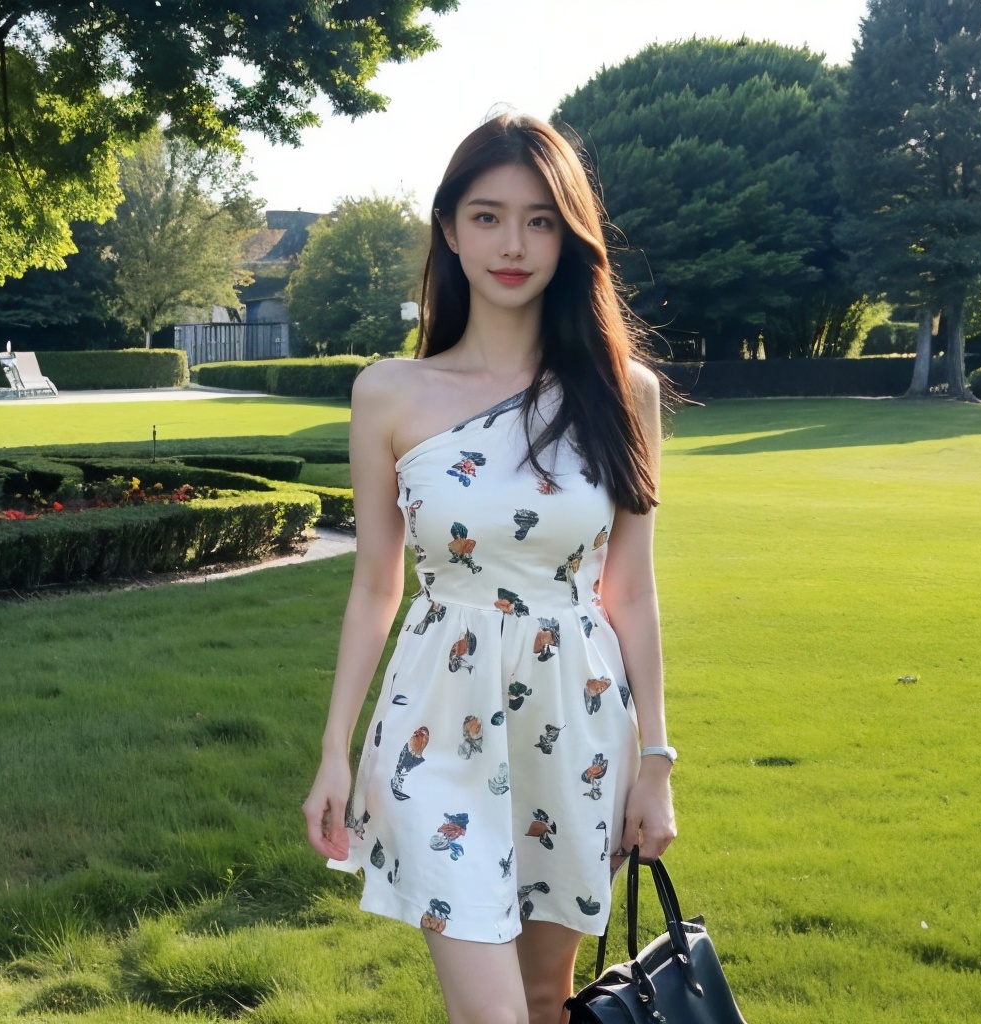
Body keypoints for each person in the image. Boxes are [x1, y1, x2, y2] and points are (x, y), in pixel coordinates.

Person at [301, 109, 676, 1024]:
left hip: (577, 722)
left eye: (541, 219)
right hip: (436, 720)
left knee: (547, 997)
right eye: (487, 215)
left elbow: (629, 588)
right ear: (449, 229)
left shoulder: (624, 393)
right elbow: (375, 584)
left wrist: (657, 758)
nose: (514, 244)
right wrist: (333, 750)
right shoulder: (389, 393)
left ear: (570, 237)